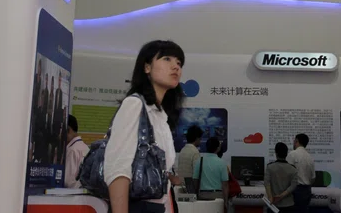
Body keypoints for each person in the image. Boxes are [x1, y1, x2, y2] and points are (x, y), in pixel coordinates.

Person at [104, 40, 184, 213]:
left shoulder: (161, 115)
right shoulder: (134, 104)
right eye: (167, 59)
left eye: (179, 63)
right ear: (147, 67)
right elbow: (118, 169)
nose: (176, 67)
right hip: (138, 207)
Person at [266, 142, 299, 213]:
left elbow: (267, 183)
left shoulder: (269, 167)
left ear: (276, 153)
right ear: (286, 154)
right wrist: (281, 195)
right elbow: (293, 186)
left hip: (273, 204)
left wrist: (270, 197)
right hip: (288, 204)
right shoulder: (293, 169)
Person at [193, 138, 229, 202]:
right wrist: (226, 201)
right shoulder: (222, 163)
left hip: (202, 196)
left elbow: (195, 180)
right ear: (218, 148)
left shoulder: (199, 161)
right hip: (217, 197)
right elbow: (225, 185)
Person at [288, 134, 315, 213]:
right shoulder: (310, 157)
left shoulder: (292, 154)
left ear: (296, 141)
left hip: (295, 191)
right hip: (307, 191)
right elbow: (313, 178)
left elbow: (287, 174)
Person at [64, 115, 89, 188]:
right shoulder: (85, 147)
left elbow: (67, 181)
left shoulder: (72, 150)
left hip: (73, 192)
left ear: (68, 130)